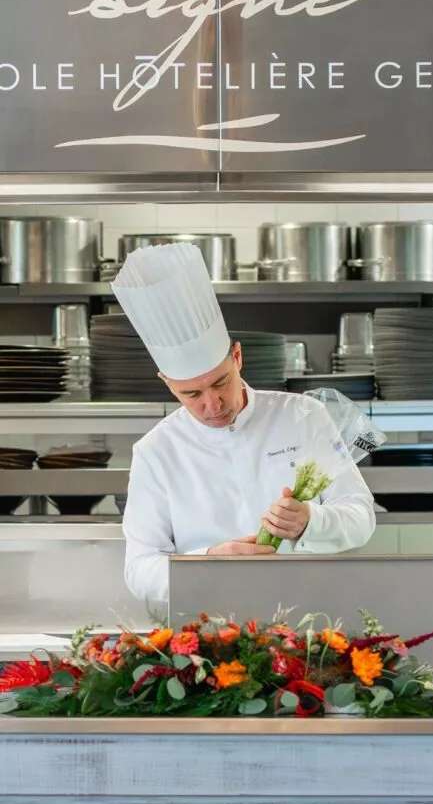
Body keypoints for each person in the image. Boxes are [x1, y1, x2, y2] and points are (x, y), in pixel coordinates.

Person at [112, 243, 375, 605]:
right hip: (208, 633)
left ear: (237, 357)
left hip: (311, 622)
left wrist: (311, 521)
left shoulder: (303, 416)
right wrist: (208, 562)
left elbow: (361, 518)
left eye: (220, 382)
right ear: (167, 383)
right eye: (191, 394)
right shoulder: (156, 451)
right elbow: (140, 568)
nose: (212, 404)